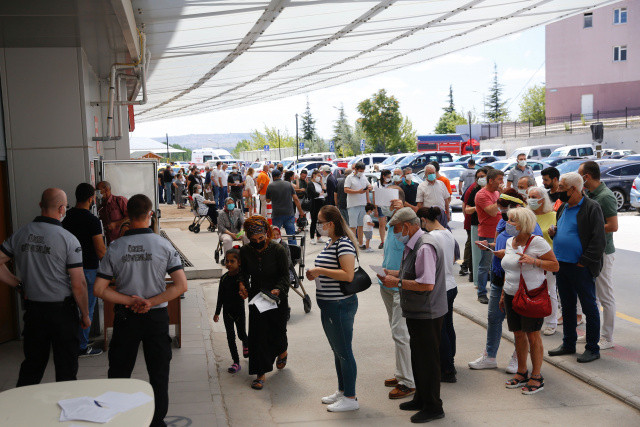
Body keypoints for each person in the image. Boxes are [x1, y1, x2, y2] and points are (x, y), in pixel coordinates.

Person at [94, 194, 187, 427]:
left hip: (126, 317)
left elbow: (99, 289)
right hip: (155, 318)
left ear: (127, 216)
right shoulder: (163, 244)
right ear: (150, 215)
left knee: (119, 372)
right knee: (158, 373)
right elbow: (181, 285)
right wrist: (151, 302)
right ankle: (156, 421)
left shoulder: (115, 247)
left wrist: (128, 300)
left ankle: (120, 420)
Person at [0, 188, 90, 386]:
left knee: (32, 365)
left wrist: (18, 283)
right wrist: (84, 314)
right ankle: (65, 411)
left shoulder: (21, 234)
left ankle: (23, 411)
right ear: (61, 208)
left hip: (34, 312)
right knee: (66, 368)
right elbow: (78, 284)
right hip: (62, 314)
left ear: (40, 205)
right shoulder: (68, 239)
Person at [378, 207, 447, 423]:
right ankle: (421, 398)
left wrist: (397, 282)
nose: (396, 234)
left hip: (427, 311)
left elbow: (426, 283)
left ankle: (433, 406)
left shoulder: (424, 246)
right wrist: (394, 274)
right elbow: (415, 272)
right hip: (419, 311)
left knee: (428, 361)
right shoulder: (415, 243)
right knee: (418, 358)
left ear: (407, 226)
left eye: (397, 229)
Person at [468, 189, 537, 373]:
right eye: (502, 207)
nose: (504, 213)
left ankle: (518, 358)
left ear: (517, 207)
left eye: (506, 209)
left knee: (519, 325)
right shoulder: (503, 224)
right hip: (500, 278)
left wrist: (506, 253)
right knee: (493, 318)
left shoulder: (530, 227)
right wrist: (489, 245)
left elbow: (531, 254)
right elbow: (501, 243)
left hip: (519, 282)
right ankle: (490, 356)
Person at [496, 207, 559, 395]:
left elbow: (555, 265)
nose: (508, 223)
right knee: (517, 334)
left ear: (523, 224)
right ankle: (522, 371)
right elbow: (509, 270)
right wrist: (502, 294)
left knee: (533, 335)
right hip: (511, 294)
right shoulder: (509, 241)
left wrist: (534, 261)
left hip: (531, 295)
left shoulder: (537, 242)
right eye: (508, 220)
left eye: (512, 221)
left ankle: (537, 376)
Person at [305, 205, 360, 412]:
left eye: (320, 221)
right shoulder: (331, 242)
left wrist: (319, 270)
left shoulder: (344, 244)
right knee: (337, 351)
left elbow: (348, 275)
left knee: (344, 351)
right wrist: (317, 273)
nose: (318, 225)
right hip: (328, 304)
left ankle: (351, 397)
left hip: (340, 304)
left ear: (331, 223)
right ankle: (342, 389)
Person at [548, 172, 606, 363]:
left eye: (562, 187)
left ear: (574, 189)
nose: (558, 190)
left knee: (589, 307)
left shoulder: (591, 207)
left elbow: (598, 240)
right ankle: (568, 343)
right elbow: (565, 229)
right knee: (567, 306)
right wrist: (555, 232)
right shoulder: (563, 206)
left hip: (580, 267)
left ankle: (592, 348)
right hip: (562, 265)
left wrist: (584, 261)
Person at [238, 216, 290, 390]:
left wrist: (278, 289)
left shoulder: (278, 250)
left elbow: (285, 276)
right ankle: (260, 373)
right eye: (253, 240)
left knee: (278, 332)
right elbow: (243, 273)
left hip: (276, 296)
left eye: (261, 239)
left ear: (267, 234)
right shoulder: (245, 251)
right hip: (257, 297)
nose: (258, 243)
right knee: (258, 335)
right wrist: (242, 285)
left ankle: (282, 351)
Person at [377, 192, 416, 400]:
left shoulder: (407, 225)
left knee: (401, 334)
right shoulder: (392, 225)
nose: (388, 205)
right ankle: (402, 374)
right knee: (397, 333)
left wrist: (403, 208)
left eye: (392, 200)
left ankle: (408, 382)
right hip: (387, 284)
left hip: (401, 286)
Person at [63, 183, 107, 357]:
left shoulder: (66, 218)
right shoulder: (92, 220)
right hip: (88, 269)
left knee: (73, 307)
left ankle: (77, 340)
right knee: (86, 308)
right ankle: (81, 346)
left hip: (67, 269)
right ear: (91, 199)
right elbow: (100, 250)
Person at [416, 206, 458, 383]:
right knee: (447, 326)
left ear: (424, 220)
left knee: (439, 331)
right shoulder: (447, 233)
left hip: (440, 287)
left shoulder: (431, 237)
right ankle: (450, 361)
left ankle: (447, 369)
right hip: (451, 284)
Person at [579, 161, 618, 350]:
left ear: (587, 177)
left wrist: (590, 228)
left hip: (603, 252)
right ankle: (592, 332)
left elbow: (613, 226)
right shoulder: (590, 194)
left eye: (579, 175)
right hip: (590, 251)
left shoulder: (606, 196)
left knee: (605, 296)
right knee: (590, 296)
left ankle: (607, 337)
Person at [527, 187, 559, 335]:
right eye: (529, 196)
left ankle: (552, 322)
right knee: (532, 290)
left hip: (548, 258)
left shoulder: (554, 215)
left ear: (542, 199)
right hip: (529, 259)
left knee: (550, 290)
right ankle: (535, 319)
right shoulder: (527, 216)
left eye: (534, 196)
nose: (531, 199)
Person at [214, 249, 248, 374]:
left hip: (239, 312)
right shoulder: (224, 279)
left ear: (239, 262)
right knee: (230, 337)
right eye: (227, 261)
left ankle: (246, 343)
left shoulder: (242, 278)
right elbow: (220, 297)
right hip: (227, 313)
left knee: (241, 334)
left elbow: (247, 288)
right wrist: (217, 312)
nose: (228, 264)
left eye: (232, 261)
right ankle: (236, 362)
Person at [474, 169, 504, 304]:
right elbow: (492, 212)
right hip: (487, 233)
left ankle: (494, 291)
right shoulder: (481, 194)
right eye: (499, 179)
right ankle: (481, 292)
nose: (502, 182)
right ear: (491, 180)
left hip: (499, 233)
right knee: (485, 265)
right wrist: (501, 198)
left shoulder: (496, 192)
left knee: (496, 264)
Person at [266, 168, 304, 245]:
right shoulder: (288, 184)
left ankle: (276, 251)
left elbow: (268, 200)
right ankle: (293, 254)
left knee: (275, 235)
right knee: (291, 235)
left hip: (277, 214)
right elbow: (296, 199)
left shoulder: (270, 186)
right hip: (289, 213)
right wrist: (301, 212)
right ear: (281, 175)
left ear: (272, 177)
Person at [464, 168, 489, 285]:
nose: (481, 179)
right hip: (476, 225)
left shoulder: (494, 191)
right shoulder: (475, 191)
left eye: (483, 176)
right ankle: (478, 283)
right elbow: (467, 209)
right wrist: (477, 207)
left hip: (490, 226)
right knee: (477, 256)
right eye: (478, 177)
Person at [344, 162, 371, 248]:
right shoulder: (349, 177)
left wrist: (370, 187)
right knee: (353, 226)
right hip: (353, 204)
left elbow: (368, 185)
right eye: (360, 171)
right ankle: (352, 244)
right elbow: (346, 190)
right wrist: (357, 192)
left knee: (361, 225)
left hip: (362, 204)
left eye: (363, 171)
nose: (361, 172)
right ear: (355, 169)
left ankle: (360, 243)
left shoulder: (363, 176)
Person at [372, 169, 392, 248]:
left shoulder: (391, 184)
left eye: (390, 177)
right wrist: (375, 209)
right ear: (383, 176)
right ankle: (382, 241)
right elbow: (374, 197)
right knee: (382, 225)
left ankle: (390, 241)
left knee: (391, 224)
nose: (389, 178)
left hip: (390, 207)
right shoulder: (376, 185)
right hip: (381, 207)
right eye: (388, 177)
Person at [308, 170, 327, 244]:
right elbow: (313, 193)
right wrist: (320, 194)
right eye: (318, 176)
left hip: (321, 202)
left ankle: (319, 237)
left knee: (320, 220)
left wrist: (322, 181)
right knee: (314, 221)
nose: (319, 177)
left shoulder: (318, 183)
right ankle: (312, 237)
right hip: (314, 203)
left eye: (320, 176)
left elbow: (324, 190)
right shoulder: (310, 183)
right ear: (314, 175)